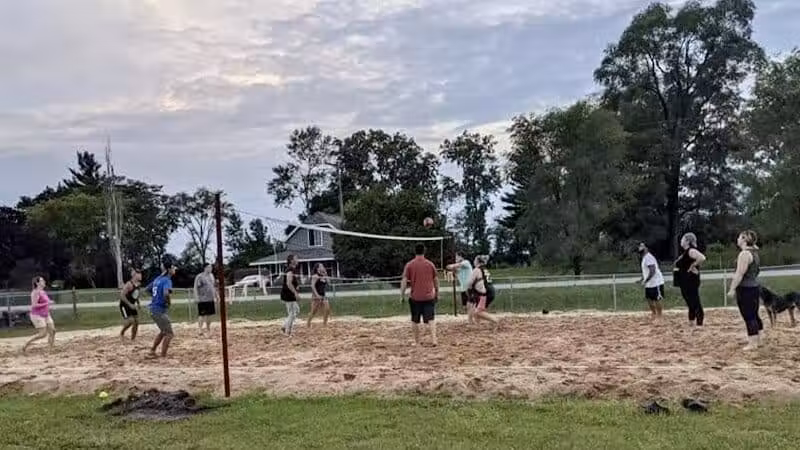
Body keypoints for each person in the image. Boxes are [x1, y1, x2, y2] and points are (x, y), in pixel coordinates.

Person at [727, 230, 764, 351]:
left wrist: (732, 289)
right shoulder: (755, 253)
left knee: (749, 316)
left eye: (739, 237)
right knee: (754, 314)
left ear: (744, 239)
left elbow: (739, 274)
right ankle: (759, 339)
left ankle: (752, 343)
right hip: (754, 286)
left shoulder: (744, 254)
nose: (737, 239)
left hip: (746, 288)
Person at [401, 243, 440, 346]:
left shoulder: (410, 265)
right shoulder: (430, 264)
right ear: (424, 251)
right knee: (431, 319)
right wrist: (437, 292)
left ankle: (417, 342)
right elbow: (436, 280)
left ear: (415, 251)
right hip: (428, 296)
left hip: (415, 297)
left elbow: (404, 281)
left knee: (415, 320)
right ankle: (434, 340)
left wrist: (402, 295)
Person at [674, 233, 706, 327]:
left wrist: (693, 265)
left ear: (687, 241)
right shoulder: (685, 252)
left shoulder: (691, 250)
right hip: (684, 281)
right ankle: (691, 322)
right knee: (690, 302)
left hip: (690, 280)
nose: (681, 241)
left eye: (682, 239)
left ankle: (699, 323)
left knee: (695, 301)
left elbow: (702, 258)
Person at [148, 258, 177, 358]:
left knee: (163, 331)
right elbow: (165, 293)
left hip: (154, 309)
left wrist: (156, 297)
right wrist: (168, 302)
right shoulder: (167, 280)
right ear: (168, 269)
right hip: (158, 310)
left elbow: (148, 289)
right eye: (173, 267)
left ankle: (152, 351)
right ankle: (163, 355)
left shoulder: (158, 279)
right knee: (169, 334)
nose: (174, 269)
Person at [22, 276, 55, 353]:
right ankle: (26, 343)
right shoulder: (35, 292)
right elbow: (34, 305)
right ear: (37, 283)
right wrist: (47, 303)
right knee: (42, 334)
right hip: (37, 315)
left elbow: (46, 302)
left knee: (53, 331)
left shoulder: (43, 292)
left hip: (46, 314)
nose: (44, 281)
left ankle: (49, 350)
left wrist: (49, 303)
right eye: (42, 280)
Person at [467, 255, 499, 327]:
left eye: (474, 260)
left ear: (477, 262)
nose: (473, 262)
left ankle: (495, 320)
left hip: (485, 293)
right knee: (477, 308)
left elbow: (469, 282)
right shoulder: (485, 269)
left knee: (478, 312)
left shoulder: (476, 270)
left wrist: (470, 291)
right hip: (490, 290)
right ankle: (478, 325)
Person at [637, 242, 665, 321]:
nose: (640, 247)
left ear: (646, 248)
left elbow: (652, 270)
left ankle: (659, 315)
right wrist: (642, 279)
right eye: (639, 246)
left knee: (657, 299)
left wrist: (646, 280)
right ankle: (653, 313)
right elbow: (646, 271)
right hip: (649, 283)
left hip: (656, 282)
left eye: (642, 246)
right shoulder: (644, 258)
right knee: (649, 299)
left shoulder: (649, 257)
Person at [446, 252, 474, 323]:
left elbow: (457, 265)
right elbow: (455, 271)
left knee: (469, 304)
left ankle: (471, 320)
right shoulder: (458, 267)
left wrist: (450, 266)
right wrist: (450, 270)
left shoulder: (466, 262)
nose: (455, 259)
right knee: (465, 306)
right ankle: (473, 317)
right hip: (463, 288)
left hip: (470, 287)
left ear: (461, 257)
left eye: (457, 257)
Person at [193, 264, 219, 336]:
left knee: (209, 315)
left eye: (211, 267)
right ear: (205, 268)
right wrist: (196, 297)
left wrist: (217, 295)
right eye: (209, 267)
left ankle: (208, 328)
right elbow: (195, 287)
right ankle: (200, 330)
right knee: (202, 314)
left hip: (210, 298)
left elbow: (213, 286)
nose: (211, 269)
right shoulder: (200, 276)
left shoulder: (212, 276)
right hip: (202, 299)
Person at [119, 268, 143, 341]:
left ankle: (133, 339)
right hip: (124, 304)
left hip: (132, 304)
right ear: (134, 275)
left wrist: (138, 303)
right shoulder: (129, 284)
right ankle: (122, 333)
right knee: (130, 321)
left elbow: (136, 295)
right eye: (139, 274)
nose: (141, 275)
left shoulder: (139, 284)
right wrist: (129, 304)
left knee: (137, 321)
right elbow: (122, 295)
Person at [280, 254, 301, 336]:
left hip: (289, 294)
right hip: (288, 294)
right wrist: (295, 293)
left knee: (296, 310)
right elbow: (288, 283)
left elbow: (292, 282)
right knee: (292, 313)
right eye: (296, 258)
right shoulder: (290, 270)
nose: (298, 260)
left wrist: (297, 286)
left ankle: (284, 326)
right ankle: (287, 332)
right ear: (292, 261)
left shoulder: (293, 270)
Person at [307, 263, 331, 327]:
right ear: (317, 268)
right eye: (321, 266)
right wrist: (317, 295)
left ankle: (324, 324)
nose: (323, 267)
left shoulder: (323, 276)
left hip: (323, 295)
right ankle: (308, 322)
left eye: (323, 266)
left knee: (327, 309)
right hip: (316, 296)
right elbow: (312, 286)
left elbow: (329, 283)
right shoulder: (315, 276)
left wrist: (326, 275)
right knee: (314, 311)